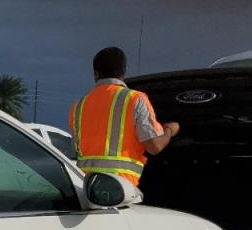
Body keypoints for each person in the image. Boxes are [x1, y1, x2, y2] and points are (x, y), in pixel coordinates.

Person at [70, 46, 179, 194]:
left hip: (87, 191)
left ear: (95, 74)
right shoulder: (135, 99)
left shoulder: (78, 106)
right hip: (121, 189)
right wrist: (170, 130)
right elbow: (154, 147)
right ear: (123, 71)